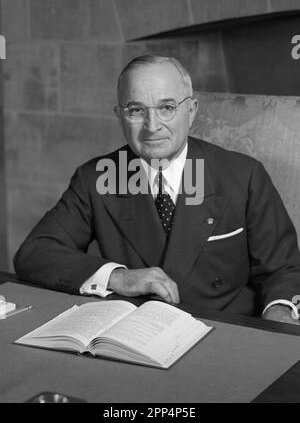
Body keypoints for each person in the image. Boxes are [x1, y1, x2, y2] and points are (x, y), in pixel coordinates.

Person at [14, 55, 300, 324]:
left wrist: (278, 317)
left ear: (191, 110)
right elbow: (35, 253)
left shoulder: (244, 175)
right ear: (119, 115)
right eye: (136, 110)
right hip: (136, 337)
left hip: (224, 334)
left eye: (166, 108)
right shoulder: (97, 178)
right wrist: (119, 278)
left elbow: (283, 269)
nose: (152, 126)